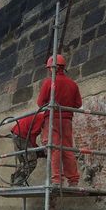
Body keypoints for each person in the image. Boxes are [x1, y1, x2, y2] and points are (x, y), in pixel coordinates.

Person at [37, 54, 82, 186]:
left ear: (52, 68)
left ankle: (56, 180)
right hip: (67, 120)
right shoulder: (73, 84)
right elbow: (78, 104)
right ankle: (73, 180)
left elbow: (40, 103)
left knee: (54, 148)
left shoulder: (49, 82)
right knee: (68, 149)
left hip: (52, 119)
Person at [10, 112, 45, 186]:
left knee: (24, 161)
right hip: (22, 136)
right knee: (31, 162)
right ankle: (18, 182)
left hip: (16, 134)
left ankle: (15, 179)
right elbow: (32, 136)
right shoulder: (42, 119)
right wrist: (36, 149)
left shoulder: (37, 116)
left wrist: (36, 148)